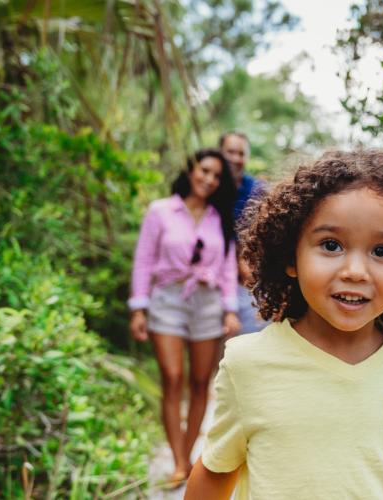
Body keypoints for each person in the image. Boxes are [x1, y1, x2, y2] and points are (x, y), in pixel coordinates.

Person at [185, 149, 383, 499]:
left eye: (382, 251)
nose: (354, 271)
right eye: (331, 245)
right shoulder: (249, 363)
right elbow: (215, 472)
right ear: (292, 257)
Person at [128, 149, 241, 487]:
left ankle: (190, 456)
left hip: (206, 303)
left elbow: (227, 267)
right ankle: (179, 462)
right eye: (204, 171)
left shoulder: (219, 217)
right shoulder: (160, 211)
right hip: (167, 300)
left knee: (200, 382)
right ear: (191, 170)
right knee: (173, 377)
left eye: (216, 176)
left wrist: (230, 308)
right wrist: (138, 307)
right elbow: (144, 260)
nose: (208, 179)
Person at [219, 131, 268, 334]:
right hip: (209, 282)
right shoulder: (207, 188)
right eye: (230, 152)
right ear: (219, 153)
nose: (235, 158)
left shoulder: (258, 191)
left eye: (241, 153)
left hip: (246, 284)